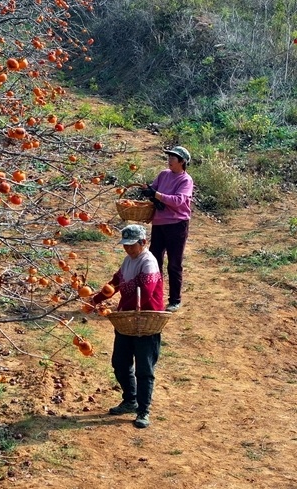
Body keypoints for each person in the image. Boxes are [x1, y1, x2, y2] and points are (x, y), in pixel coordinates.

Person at [90, 224, 164, 428]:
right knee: (120, 363)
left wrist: (121, 306)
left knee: (144, 368)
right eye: (126, 246)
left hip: (146, 321)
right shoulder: (127, 260)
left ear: (143, 243)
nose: (128, 249)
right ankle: (130, 400)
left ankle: (143, 410)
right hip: (127, 320)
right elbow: (114, 283)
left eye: (132, 245)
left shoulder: (148, 261)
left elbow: (146, 292)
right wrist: (95, 300)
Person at [140, 146, 194, 312]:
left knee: (174, 264)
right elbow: (154, 191)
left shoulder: (186, 180)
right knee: (154, 262)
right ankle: (155, 297)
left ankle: (175, 300)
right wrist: (148, 192)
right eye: (169, 156)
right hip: (159, 223)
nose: (170, 160)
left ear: (182, 162)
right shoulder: (163, 175)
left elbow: (178, 201)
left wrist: (155, 194)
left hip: (177, 225)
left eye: (173, 157)